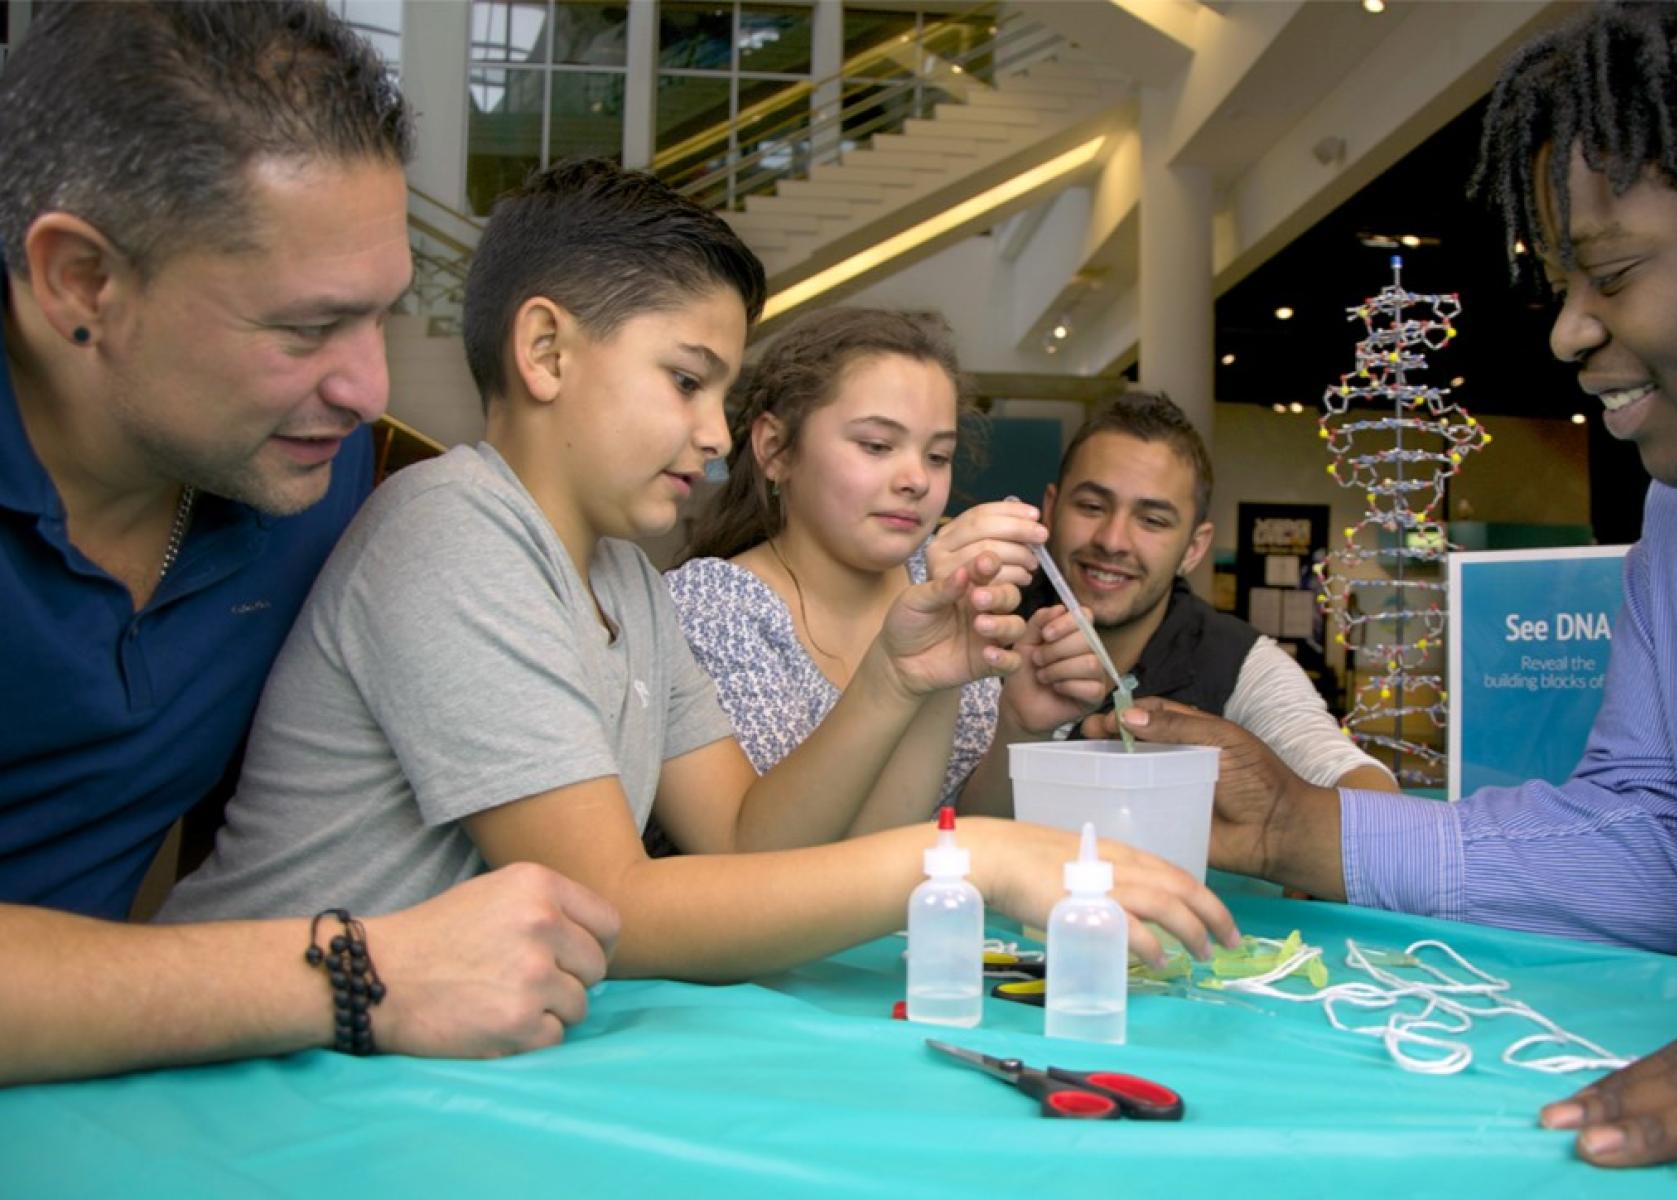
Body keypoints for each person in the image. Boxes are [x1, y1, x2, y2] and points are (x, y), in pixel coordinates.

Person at [161, 158, 1238, 986]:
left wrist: (898, 679)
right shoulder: (454, 531)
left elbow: (740, 842)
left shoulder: (625, 580)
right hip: (252, 1051)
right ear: (546, 353)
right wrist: (983, 858)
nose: (717, 436)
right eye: (685, 381)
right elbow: (613, 900)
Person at [1087, 1, 1677, 1185]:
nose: (1570, 331)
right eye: (1566, 281)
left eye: (1614, 273)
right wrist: (1296, 830)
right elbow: (1667, 838)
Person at [0, 2, 620, 1087]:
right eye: (303, 329)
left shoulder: (312, 483)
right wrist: (356, 971)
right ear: (80, 282)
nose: (366, 389)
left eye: (382, 314)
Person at [668, 306, 1101, 834]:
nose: (916, 478)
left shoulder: (950, 587)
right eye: (876, 445)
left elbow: (959, 831)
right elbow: (784, 866)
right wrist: (922, 678)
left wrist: (1019, 728)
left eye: (939, 455)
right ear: (775, 449)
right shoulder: (715, 609)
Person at [959, 392, 1395, 815]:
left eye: (1152, 520)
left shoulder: (1236, 661)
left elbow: (1363, 792)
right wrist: (1018, 730)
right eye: (1092, 506)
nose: (1112, 541)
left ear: (1194, 547)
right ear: (1051, 511)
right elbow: (938, 831)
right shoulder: (982, 630)